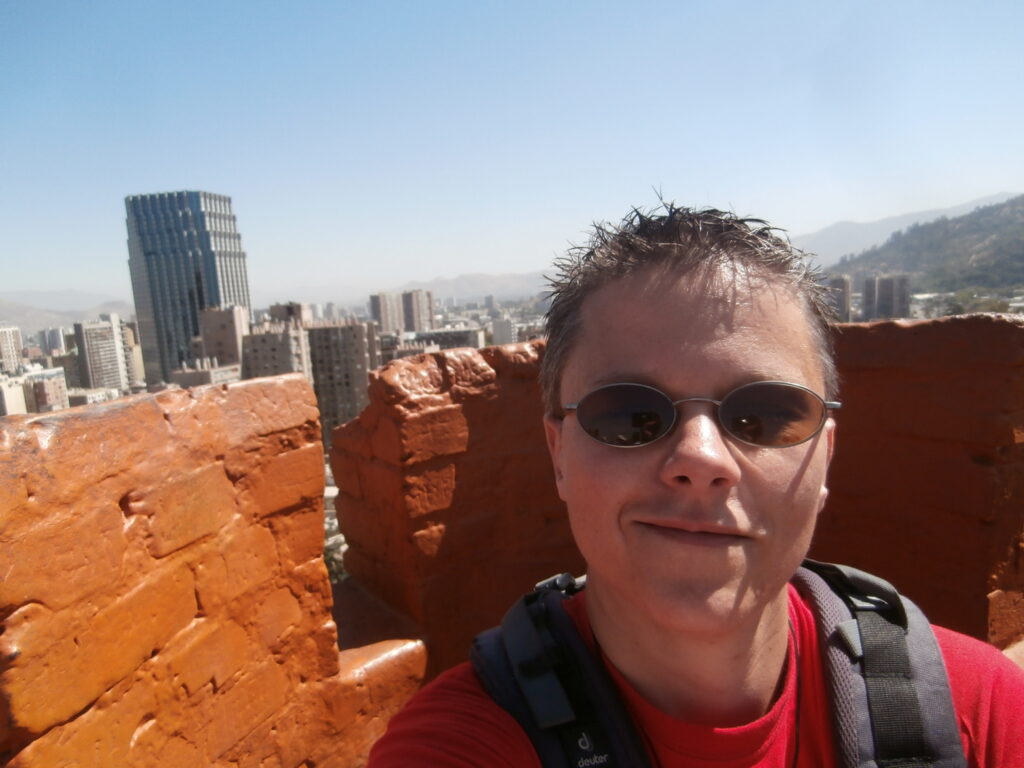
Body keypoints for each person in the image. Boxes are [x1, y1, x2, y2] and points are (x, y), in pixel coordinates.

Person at [367, 205, 1024, 767]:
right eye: (630, 415)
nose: (701, 458)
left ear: (824, 457)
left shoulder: (979, 712)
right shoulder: (459, 745)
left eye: (763, 416)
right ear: (558, 454)